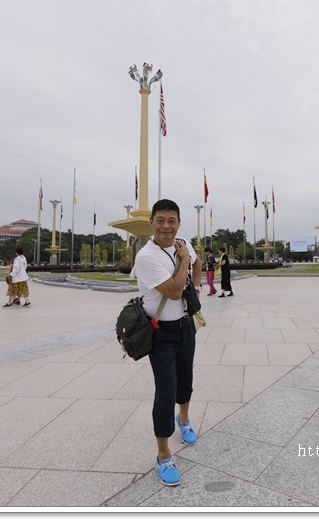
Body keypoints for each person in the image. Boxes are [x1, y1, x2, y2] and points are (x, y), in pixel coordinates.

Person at [132, 199, 202, 487]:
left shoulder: (183, 243)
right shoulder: (146, 257)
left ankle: (183, 419)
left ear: (179, 223)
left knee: (185, 381)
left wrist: (196, 288)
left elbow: (198, 264)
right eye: (160, 220)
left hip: (186, 328)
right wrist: (183, 259)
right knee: (166, 390)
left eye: (171, 220)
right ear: (151, 222)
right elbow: (173, 292)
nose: (166, 226)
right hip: (161, 334)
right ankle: (163, 454)